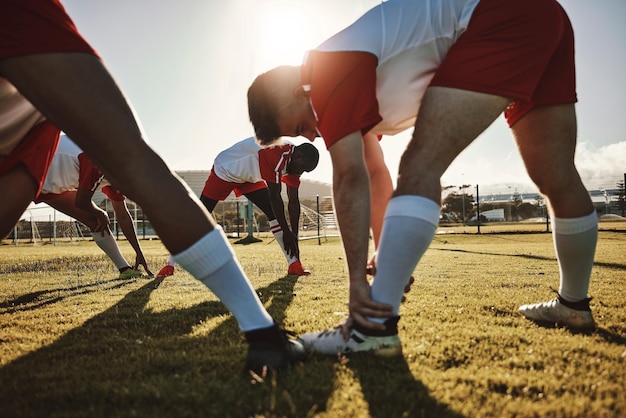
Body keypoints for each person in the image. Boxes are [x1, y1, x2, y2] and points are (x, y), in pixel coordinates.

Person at [247, 0, 598, 356]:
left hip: (498, 15)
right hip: (543, 15)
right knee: (557, 176)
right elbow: (373, 170)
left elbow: (349, 177)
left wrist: (356, 282)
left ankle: (373, 330)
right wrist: (385, 253)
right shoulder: (339, 72)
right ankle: (573, 304)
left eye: (300, 127)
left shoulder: (324, 72)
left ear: (297, 93)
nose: (309, 137)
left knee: (419, 166)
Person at [0, 0, 305, 373]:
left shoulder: (90, 167)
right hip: (222, 170)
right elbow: (112, 189)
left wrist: (135, 254)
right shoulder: (94, 162)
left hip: (33, 136)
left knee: (135, 167)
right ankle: (260, 331)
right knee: (137, 161)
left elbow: (122, 212)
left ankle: (264, 316)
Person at [155, 136, 320, 278]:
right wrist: (286, 231)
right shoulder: (276, 153)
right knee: (199, 217)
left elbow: (293, 202)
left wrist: (294, 236)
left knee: (273, 213)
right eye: (303, 168)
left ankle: (294, 264)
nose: (301, 173)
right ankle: (170, 264)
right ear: (298, 156)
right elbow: (275, 198)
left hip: (248, 179)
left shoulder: (293, 164)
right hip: (226, 170)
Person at [36, 134, 153, 279]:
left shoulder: (116, 176)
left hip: (47, 181)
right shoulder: (99, 161)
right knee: (96, 217)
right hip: (32, 167)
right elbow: (81, 202)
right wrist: (100, 213)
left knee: (94, 219)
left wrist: (139, 252)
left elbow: (122, 215)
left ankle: (125, 270)